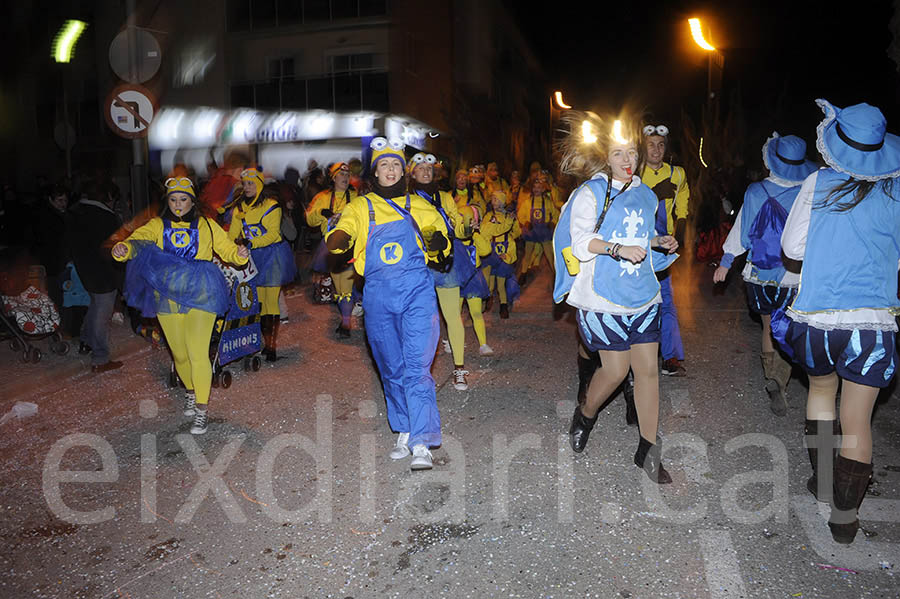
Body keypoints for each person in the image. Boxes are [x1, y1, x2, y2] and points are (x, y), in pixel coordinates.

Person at [777, 100, 900, 544]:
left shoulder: (817, 181)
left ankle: (823, 482)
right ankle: (844, 517)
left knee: (822, 394)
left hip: (820, 317)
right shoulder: (898, 190)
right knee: (859, 419)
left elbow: (792, 248)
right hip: (874, 323)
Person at [553, 111, 678, 484]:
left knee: (648, 371)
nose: (629, 161)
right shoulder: (589, 192)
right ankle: (586, 414)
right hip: (603, 297)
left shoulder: (645, 193)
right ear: (606, 156)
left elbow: (642, 238)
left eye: (633, 154)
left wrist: (658, 242)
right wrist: (615, 249)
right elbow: (581, 242)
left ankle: (648, 450)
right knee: (615, 370)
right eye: (620, 154)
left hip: (641, 294)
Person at [325, 137, 450, 470]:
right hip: (378, 294)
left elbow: (441, 243)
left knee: (417, 368)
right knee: (391, 367)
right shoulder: (359, 207)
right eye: (384, 164)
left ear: (404, 170)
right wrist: (338, 240)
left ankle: (422, 441)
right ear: (374, 171)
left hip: (417, 293)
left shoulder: (421, 205)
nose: (391, 170)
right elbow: (344, 230)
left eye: (396, 164)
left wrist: (438, 243)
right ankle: (405, 429)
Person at [112, 177, 249, 434]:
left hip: (202, 291)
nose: (178, 204)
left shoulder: (207, 225)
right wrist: (123, 248)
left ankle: (201, 409)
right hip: (169, 293)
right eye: (173, 199)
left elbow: (228, 250)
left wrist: (239, 255)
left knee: (197, 352)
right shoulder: (156, 225)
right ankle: (190, 391)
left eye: (183, 199)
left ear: (192, 200)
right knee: (180, 354)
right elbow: (136, 241)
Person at [713, 133, 817, 415]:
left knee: (770, 325)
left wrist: (725, 262)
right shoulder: (810, 191)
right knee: (792, 327)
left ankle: (773, 378)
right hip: (796, 275)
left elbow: (742, 233)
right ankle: (792, 379)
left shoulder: (756, 191)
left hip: (760, 274)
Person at [409, 152, 486, 391]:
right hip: (418, 266)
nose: (425, 171)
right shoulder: (405, 200)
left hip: (446, 263)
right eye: (420, 167)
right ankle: (418, 372)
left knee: (453, 316)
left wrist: (467, 227)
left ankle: (459, 369)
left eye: (429, 169)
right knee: (420, 318)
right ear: (411, 172)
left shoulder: (445, 198)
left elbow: (457, 230)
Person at [229, 167, 297, 361]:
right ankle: (261, 341)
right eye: (245, 184)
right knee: (257, 301)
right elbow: (232, 235)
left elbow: (274, 233)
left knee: (270, 300)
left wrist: (251, 242)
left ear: (259, 184)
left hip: (273, 255)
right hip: (252, 258)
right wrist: (227, 247)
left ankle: (271, 346)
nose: (247, 187)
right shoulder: (239, 208)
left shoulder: (271, 205)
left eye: (251, 183)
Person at [640, 124, 690, 376]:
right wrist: (654, 193)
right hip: (637, 245)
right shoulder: (634, 174)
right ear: (643, 146)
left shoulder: (678, 174)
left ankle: (669, 357)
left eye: (661, 145)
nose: (656, 149)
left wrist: (676, 237)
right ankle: (634, 358)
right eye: (651, 144)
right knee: (639, 303)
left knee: (667, 302)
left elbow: (682, 207)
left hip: (663, 248)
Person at [66, 182, 125, 373]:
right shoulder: (106, 218)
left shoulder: (76, 212)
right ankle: (100, 358)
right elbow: (116, 249)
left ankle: (85, 341)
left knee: (95, 306)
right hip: (104, 273)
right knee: (102, 313)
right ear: (107, 197)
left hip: (85, 269)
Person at [306, 162, 359, 337]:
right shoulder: (322, 197)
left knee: (347, 285)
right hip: (331, 247)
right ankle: (346, 317)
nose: (345, 178)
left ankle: (346, 323)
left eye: (348, 174)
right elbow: (310, 221)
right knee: (339, 286)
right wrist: (321, 212)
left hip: (351, 246)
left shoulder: (356, 196)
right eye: (342, 174)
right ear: (334, 177)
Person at [480, 190, 521, 318]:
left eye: (497, 199)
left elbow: (517, 231)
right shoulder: (488, 216)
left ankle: (503, 306)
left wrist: (509, 238)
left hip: (504, 248)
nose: (494, 201)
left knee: (501, 282)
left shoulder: (508, 217)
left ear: (503, 202)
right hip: (491, 251)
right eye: (492, 199)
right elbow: (484, 230)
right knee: (490, 283)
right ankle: (486, 302)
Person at [517, 170, 558, 284]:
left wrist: (553, 222)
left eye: (539, 187)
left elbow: (555, 214)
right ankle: (523, 273)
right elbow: (521, 214)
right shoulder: (528, 202)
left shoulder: (548, 202)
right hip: (532, 231)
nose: (537, 190)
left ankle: (556, 274)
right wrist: (525, 222)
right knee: (528, 253)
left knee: (549, 253)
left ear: (543, 189)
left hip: (544, 231)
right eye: (535, 187)